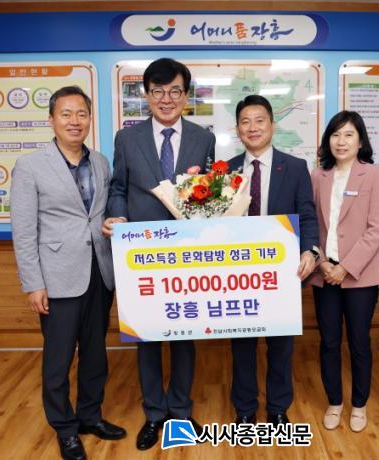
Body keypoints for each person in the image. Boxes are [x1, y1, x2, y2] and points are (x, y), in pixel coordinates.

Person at [102, 58, 215, 450]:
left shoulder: (203, 138)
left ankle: (180, 410)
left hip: (187, 255)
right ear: (146, 95)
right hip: (143, 255)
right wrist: (117, 215)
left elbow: (210, 192)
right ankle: (154, 414)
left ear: (186, 95)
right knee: (147, 336)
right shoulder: (126, 138)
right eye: (158, 91)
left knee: (185, 334)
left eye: (175, 91)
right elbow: (119, 187)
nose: (166, 99)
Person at [10, 86, 125, 460]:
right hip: (56, 277)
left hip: (100, 272)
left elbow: (101, 214)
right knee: (58, 359)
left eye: (82, 114)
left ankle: (91, 416)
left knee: (95, 353)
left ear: (90, 119)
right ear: (51, 120)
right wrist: (33, 284)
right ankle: (65, 427)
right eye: (66, 114)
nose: (75, 121)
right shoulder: (31, 165)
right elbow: (23, 230)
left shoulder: (101, 162)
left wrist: (114, 222)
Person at [227, 95, 319, 426]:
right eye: (245, 121)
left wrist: (310, 250)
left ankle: (278, 408)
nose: (253, 127)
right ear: (237, 129)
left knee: (281, 346)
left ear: (272, 125)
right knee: (242, 346)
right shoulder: (225, 170)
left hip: (281, 273)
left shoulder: (294, 167)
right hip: (238, 273)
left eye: (259, 120)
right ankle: (245, 409)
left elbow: (307, 215)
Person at [308, 111, 379, 432]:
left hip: (361, 277)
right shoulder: (318, 176)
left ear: (360, 141)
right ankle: (334, 402)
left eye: (348, 135)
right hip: (324, 273)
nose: (341, 141)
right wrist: (322, 263)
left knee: (359, 342)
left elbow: (376, 229)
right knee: (329, 342)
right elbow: (311, 223)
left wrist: (346, 267)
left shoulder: (374, 175)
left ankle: (358, 404)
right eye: (335, 134)